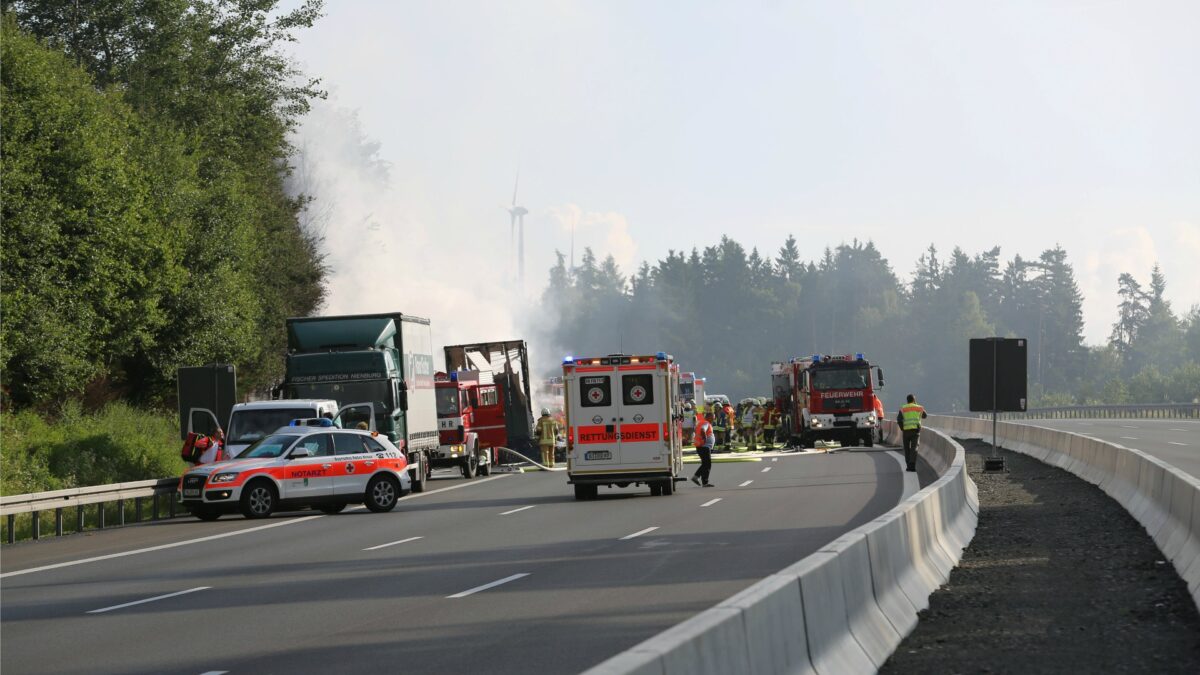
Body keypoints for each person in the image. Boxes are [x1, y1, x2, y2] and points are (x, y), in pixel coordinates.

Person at [897, 394, 928, 472]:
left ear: (907, 401)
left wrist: (902, 428)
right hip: (915, 431)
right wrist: (916, 404)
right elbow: (925, 416)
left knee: (907, 449)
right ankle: (912, 465)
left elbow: (899, 420)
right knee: (914, 448)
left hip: (906, 432)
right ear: (914, 400)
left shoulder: (903, 408)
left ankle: (908, 466)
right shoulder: (918, 407)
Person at [690, 410, 716, 487]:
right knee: (707, 464)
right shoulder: (706, 423)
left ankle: (696, 477)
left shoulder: (701, 422)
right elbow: (702, 430)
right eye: (712, 417)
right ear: (708, 417)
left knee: (705, 464)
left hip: (702, 446)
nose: (713, 419)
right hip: (704, 446)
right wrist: (704, 438)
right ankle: (705, 482)